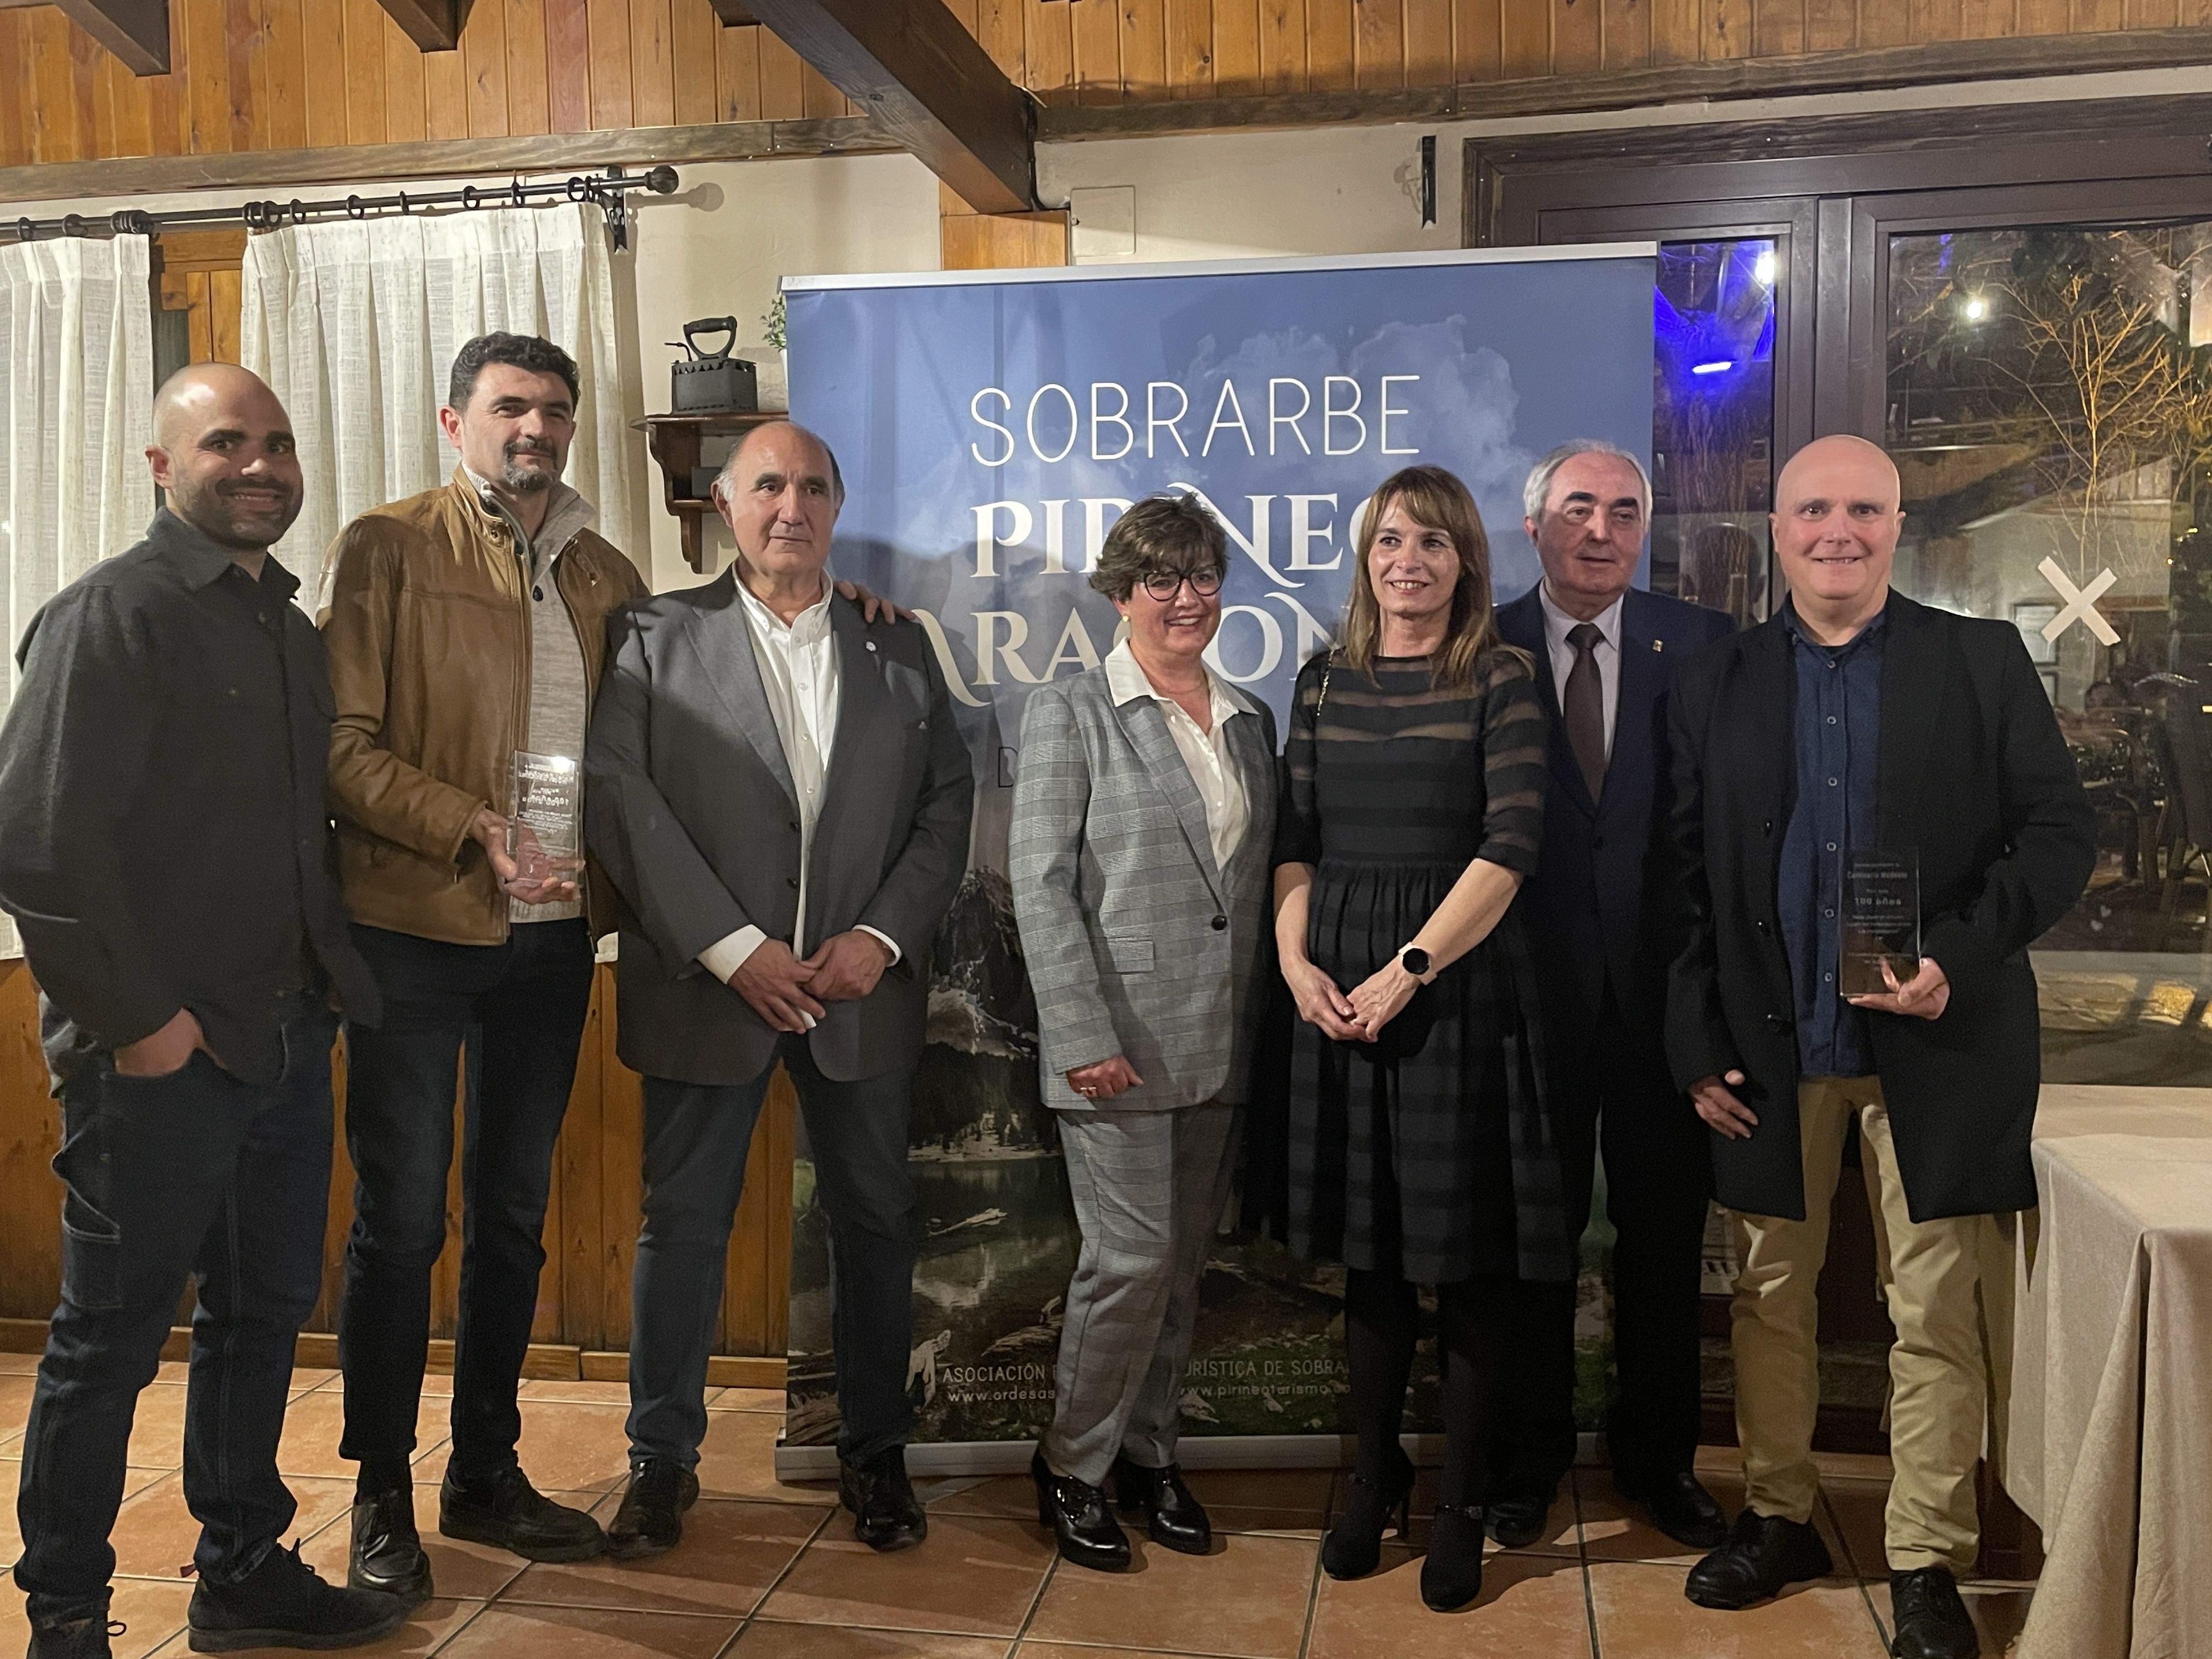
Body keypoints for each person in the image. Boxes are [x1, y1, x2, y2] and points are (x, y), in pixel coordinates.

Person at [1666, 435, 2094, 1659]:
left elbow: (2059, 835)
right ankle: (1782, 1514)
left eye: (1862, 509)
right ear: (1778, 528)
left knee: (1935, 1310)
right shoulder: (1721, 676)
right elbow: (1683, 878)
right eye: (1814, 510)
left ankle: (1925, 1560)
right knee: (1767, 1297)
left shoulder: (1979, 660)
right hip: (1770, 1046)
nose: (1837, 530)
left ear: (1897, 524)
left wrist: (1955, 952)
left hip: (1940, 1048)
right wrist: (1694, 1042)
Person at [0, 365, 404, 1658]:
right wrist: (142, 1029)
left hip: (284, 1039)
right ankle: (65, 1609)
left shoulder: (285, 628)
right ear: (160, 463)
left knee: (262, 1314)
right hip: (159, 1058)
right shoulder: (110, 617)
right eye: (226, 441)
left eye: (278, 443)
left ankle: (240, 1567)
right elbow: (42, 849)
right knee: (109, 1338)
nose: (261, 465)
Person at [584, 420, 973, 1557]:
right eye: (767, 485)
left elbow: (945, 809)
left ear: (837, 506)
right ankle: (661, 1465)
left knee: (877, 1226)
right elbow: (619, 797)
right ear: (724, 501)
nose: (789, 505)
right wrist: (728, 945)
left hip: (862, 995)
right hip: (710, 990)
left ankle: (876, 1457)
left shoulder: (899, 648)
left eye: (811, 486)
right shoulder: (653, 636)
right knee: (684, 1230)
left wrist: (882, 939)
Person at [319, 333, 648, 1593]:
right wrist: (470, 826)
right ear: (453, 420)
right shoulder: (387, 546)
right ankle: (381, 1490)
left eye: (556, 411)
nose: (536, 429)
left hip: (554, 945)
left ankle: (486, 1470)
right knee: (402, 1226)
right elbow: (341, 749)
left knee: (513, 1222)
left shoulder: (608, 572)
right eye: (510, 407)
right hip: (414, 932)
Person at [1272, 464, 1571, 1613]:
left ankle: (1458, 1503)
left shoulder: (1501, 675)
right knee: (1375, 1260)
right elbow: (1294, 838)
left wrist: (1405, 973)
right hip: (1334, 987)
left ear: (1466, 563)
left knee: (1470, 1268)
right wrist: (1298, 963)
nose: (1410, 561)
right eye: (1392, 540)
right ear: (1366, 555)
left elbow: (1511, 847)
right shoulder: (1322, 681)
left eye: (1435, 544)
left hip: (1456, 991)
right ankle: (1370, 1484)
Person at [1009, 495, 1279, 1571]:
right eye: (1161, 579)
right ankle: (1072, 1467)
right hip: (1113, 1050)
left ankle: (1150, 1456)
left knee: (1178, 1273)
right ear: (1121, 593)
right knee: (1128, 1262)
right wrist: (1079, 1031)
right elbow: (1039, 883)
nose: (1186, 598)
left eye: (1204, 576)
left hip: (1221, 1048)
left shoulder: (1250, 718)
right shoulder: (1070, 711)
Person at [1491, 442, 1733, 1550]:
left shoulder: (1704, 646)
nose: (1601, 530)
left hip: (1663, 1012)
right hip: (1519, 1009)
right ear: (1533, 523)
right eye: (1579, 508)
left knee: (1662, 1245)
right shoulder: (1476, 641)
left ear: (1646, 531)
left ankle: (1659, 1463)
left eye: (1624, 511)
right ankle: (1525, 1465)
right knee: (1526, 1245)